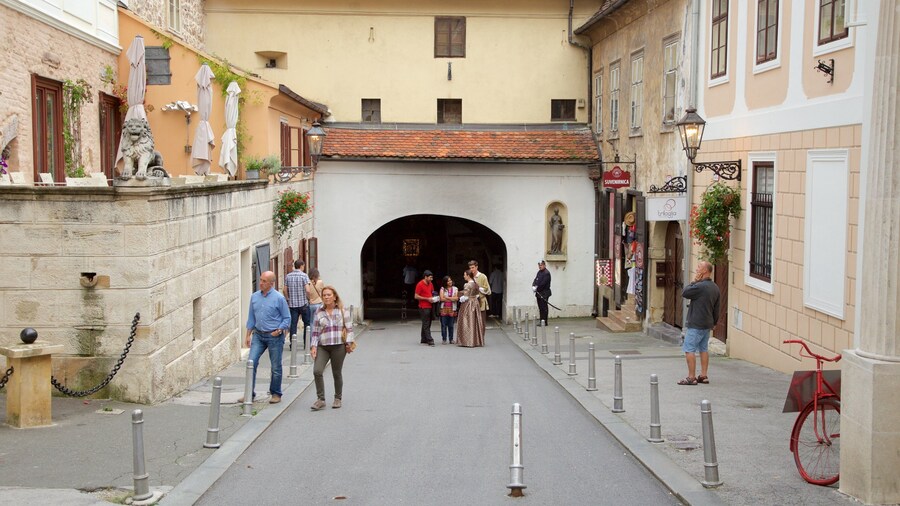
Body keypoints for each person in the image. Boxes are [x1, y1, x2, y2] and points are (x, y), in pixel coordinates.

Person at [242, 271, 291, 404]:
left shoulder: (279, 298)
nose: (261, 283)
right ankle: (249, 394)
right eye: (261, 280)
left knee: (275, 366)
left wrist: (279, 329)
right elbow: (251, 317)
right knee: (251, 362)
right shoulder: (254, 297)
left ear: (271, 283)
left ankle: (276, 393)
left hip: (274, 336)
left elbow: (287, 318)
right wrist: (247, 335)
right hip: (258, 334)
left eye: (264, 281)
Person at [309, 286, 355, 410]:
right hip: (323, 346)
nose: (326, 297)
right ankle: (321, 399)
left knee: (336, 372)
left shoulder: (341, 310)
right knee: (317, 371)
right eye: (324, 295)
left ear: (334, 296)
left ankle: (337, 398)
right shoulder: (319, 311)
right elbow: (315, 331)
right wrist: (313, 346)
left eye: (329, 295)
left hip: (338, 346)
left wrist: (348, 343)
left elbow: (349, 328)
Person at [678, 261, 721, 386]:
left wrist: (695, 281)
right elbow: (717, 307)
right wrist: (714, 322)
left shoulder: (699, 286)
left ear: (705, 271)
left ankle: (691, 377)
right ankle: (703, 375)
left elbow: (685, 292)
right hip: (707, 323)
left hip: (696, 323)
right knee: (703, 349)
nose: (697, 269)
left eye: (699, 267)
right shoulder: (715, 287)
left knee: (689, 349)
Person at [284, 259, 310, 348]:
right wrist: (308, 298)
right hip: (303, 304)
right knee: (307, 324)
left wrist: (288, 299)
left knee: (293, 324)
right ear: (301, 265)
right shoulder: (304, 276)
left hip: (292, 305)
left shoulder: (288, 276)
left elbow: (284, 290)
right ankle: (306, 344)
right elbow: (307, 290)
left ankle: (292, 344)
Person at [456, 271, 485, 347]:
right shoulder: (476, 284)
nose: (464, 276)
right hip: (475, 303)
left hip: (468, 304)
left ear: (468, 276)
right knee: (474, 321)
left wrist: (460, 296)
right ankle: (476, 340)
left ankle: (467, 341)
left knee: (467, 321)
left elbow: (465, 296)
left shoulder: (467, 284)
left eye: (464, 275)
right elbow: (477, 295)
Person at [414, 270, 439, 346]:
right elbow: (416, 296)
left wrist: (434, 297)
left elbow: (431, 292)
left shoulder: (431, 284)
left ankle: (423, 338)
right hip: (423, 306)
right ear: (425, 277)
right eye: (430, 277)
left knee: (428, 322)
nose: (431, 279)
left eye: (432, 277)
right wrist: (427, 299)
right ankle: (429, 339)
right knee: (426, 323)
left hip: (430, 305)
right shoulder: (420, 284)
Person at [467, 260, 491, 327]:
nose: (471, 269)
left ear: (476, 267)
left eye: (473, 267)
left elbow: (488, 291)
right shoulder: (470, 276)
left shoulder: (482, 276)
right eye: (470, 268)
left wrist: (478, 287)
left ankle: (481, 337)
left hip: (481, 302)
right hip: (472, 303)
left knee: (481, 323)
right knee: (472, 323)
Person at [439, 275, 459, 344]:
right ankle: (444, 339)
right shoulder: (442, 289)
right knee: (444, 325)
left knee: (451, 325)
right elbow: (441, 299)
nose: (450, 282)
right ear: (445, 282)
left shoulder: (455, 288)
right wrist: (451, 298)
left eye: (450, 280)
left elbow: (456, 298)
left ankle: (451, 339)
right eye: (448, 281)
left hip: (452, 308)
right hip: (443, 308)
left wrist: (446, 297)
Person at [532, 260, 552, 324]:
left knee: (544, 307)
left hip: (544, 293)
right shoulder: (539, 272)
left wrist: (536, 288)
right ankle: (541, 320)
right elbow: (536, 279)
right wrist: (533, 285)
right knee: (540, 307)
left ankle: (544, 321)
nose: (540, 266)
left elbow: (543, 284)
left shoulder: (546, 273)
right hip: (539, 293)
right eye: (539, 265)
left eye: (541, 265)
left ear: (544, 265)